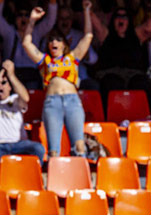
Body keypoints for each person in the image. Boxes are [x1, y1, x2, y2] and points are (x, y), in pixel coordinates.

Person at [21, 1, 93, 158]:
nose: (54, 42)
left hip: (72, 100)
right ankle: (56, 180)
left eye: (58, 40)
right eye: (51, 40)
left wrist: (86, 11)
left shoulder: (72, 57)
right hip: (52, 102)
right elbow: (26, 43)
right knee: (53, 149)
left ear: (64, 44)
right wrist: (32, 21)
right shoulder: (44, 60)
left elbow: (88, 36)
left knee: (79, 145)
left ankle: (80, 180)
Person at [0, 61, 45, 180]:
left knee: (38, 148)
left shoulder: (15, 99)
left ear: (10, 87)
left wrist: (11, 76)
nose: (0, 86)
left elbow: (26, 97)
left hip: (18, 143)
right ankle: (2, 183)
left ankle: (32, 179)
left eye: (3, 83)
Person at [0, 0, 59, 89]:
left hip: (32, 75)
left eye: (26, 15)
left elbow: (50, 21)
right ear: (15, 18)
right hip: (12, 75)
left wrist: (52, 2)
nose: (23, 18)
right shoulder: (9, 32)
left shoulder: (37, 32)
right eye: (20, 15)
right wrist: (0, 2)